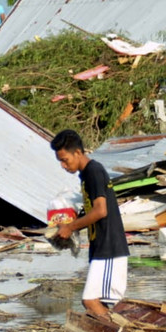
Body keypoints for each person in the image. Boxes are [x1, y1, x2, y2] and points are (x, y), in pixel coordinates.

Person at [51, 129, 129, 321]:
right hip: (101, 247)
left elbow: (101, 211)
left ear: (78, 152)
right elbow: (93, 211)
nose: (63, 165)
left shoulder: (94, 171)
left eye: (65, 160)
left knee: (91, 301)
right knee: (95, 303)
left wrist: (70, 228)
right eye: (60, 161)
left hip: (110, 247)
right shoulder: (86, 175)